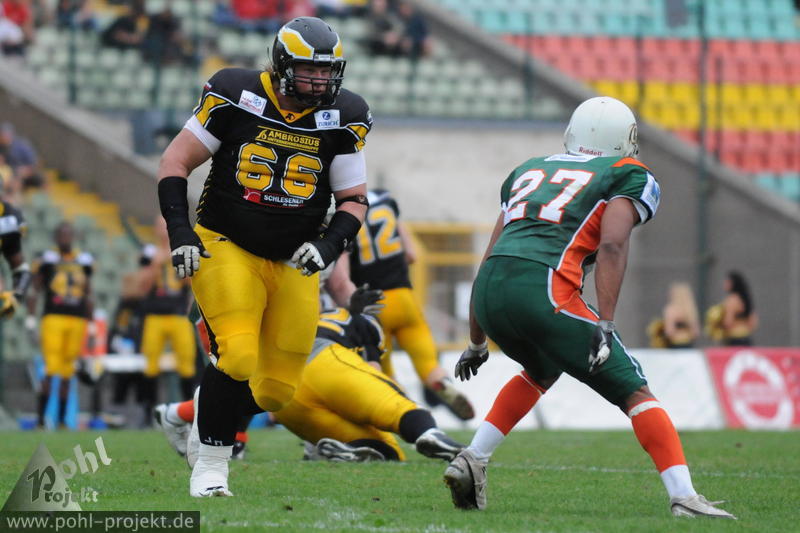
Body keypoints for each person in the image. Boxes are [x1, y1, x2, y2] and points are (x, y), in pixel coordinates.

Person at [442, 97, 735, 519]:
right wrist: (606, 321)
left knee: (542, 369)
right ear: (625, 139)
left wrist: (475, 341)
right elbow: (613, 242)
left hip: (489, 290)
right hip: (543, 288)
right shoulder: (626, 173)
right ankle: (684, 498)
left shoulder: (529, 170)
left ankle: (473, 457)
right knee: (634, 389)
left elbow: (490, 255)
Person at [157, 16, 371, 497]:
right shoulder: (236, 93)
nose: (319, 80)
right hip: (226, 242)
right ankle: (212, 467)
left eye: (327, 71)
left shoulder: (345, 114)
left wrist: (328, 245)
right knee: (237, 355)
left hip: (293, 258)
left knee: (277, 391)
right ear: (280, 65)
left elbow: (354, 199)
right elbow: (175, 161)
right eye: (309, 69)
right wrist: (180, 232)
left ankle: (203, 410)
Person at [158, 306, 465, 465]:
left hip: (283, 392)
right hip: (323, 360)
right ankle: (434, 436)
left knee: (389, 453)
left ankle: (348, 451)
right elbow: (372, 370)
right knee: (397, 409)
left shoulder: (297, 310)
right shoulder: (363, 323)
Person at [326, 189, 475, 420]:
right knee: (427, 362)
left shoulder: (345, 215)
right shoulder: (386, 202)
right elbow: (412, 255)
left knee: (383, 372)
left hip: (373, 305)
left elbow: (341, 275)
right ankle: (441, 382)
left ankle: (406, 411)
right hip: (403, 297)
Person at [26, 221, 93, 429]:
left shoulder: (83, 260)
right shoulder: (47, 259)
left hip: (77, 319)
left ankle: (62, 421)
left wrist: (91, 324)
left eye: (68, 234)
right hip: (53, 317)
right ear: (56, 238)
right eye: (62, 235)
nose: (66, 238)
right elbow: (35, 289)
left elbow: (88, 293)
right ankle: (40, 420)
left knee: (67, 371)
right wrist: (30, 319)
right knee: (50, 369)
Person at [138, 216, 197, 419]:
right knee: (150, 364)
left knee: (186, 363)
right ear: (155, 229)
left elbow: (190, 282)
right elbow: (142, 287)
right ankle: (147, 413)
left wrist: (175, 262)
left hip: (178, 314)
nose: (164, 230)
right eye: (160, 226)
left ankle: (189, 411)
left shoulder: (182, 248)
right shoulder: (149, 252)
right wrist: (156, 265)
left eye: (165, 225)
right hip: (155, 315)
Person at [705, 271, 758, 346]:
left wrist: (717, 325)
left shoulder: (731, 300)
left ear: (733, 284)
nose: (724, 284)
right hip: (746, 338)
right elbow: (753, 323)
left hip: (734, 339)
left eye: (727, 282)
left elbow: (728, 322)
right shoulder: (745, 299)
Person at [662, 282, 700, 348]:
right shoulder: (691, 310)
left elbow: (669, 331)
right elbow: (695, 332)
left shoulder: (671, 310)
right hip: (688, 344)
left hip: (675, 344)